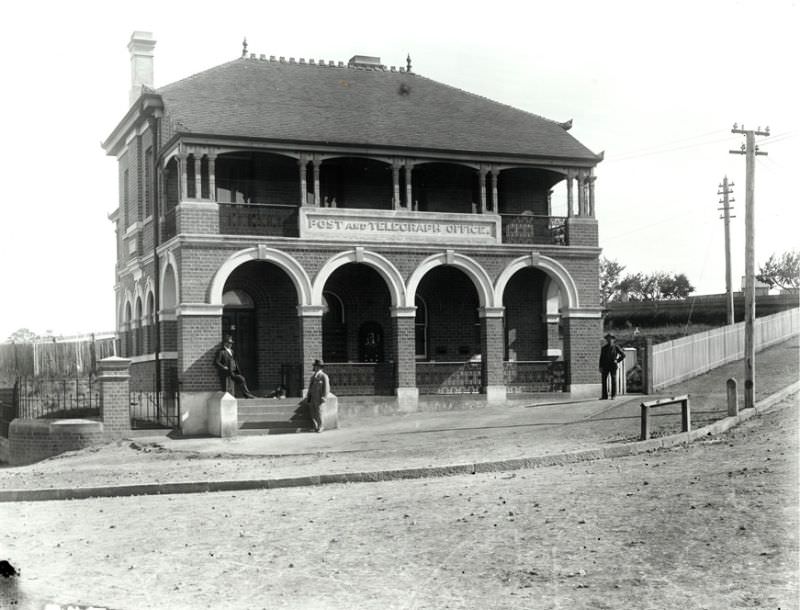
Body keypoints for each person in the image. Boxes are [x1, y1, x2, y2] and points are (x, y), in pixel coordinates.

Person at [299, 358, 330, 432]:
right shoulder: (313, 376)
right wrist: (308, 396)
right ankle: (315, 426)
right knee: (313, 412)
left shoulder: (323, 376)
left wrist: (324, 397)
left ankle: (321, 426)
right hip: (312, 397)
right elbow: (310, 387)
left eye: (316, 366)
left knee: (319, 412)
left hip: (319, 397)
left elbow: (326, 387)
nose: (314, 367)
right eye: (315, 366)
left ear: (319, 367)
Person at [599, 333, 626, 400]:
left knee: (613, 380)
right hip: (605, 366)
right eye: (608, 339)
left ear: (613, 339)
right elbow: (601, 358)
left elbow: (623, 355)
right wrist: (600, 366)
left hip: (613, 366)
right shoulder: (604, 348)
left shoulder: (616, 347)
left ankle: (613, 395)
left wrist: (617, 360)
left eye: (611, 339)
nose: (609, 340)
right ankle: (604, 396)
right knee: (604, 380)